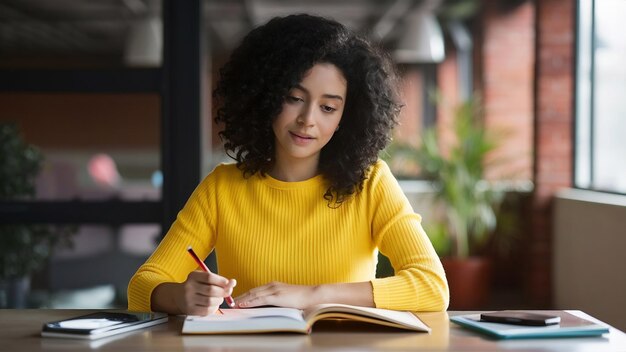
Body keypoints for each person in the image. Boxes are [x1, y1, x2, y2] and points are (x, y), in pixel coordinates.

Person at [128, 14, 449, 316]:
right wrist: (180, 296)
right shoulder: (221, 187)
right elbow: (143, 285)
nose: (307, 120)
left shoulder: (372, 183)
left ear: (345, 117)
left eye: (327, 107)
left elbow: (431, 287)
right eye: (294, 98)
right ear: (266, 97)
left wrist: (312, 296)